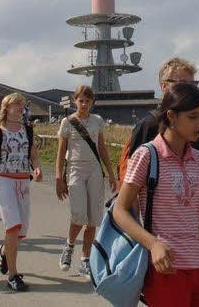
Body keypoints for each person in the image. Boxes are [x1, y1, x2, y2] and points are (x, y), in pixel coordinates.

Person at [113, 83, 199, 306]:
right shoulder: (147, 155)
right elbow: (120, 211)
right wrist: (153, 244)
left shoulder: (198, 160)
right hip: (165, 270)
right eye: (193, 117)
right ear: (171, 116)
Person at [0, 93, 42, 292]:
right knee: (13, 226)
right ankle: (13, 275)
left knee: (21, 231)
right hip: (5, 181)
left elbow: (34, 156)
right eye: (16, 105)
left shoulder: (28, 131)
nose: (20, 108)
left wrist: (37, 168)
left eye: (22, 105)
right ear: (6, 108)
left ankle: (5, 250)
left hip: (23, 182)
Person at [117, 57, 199, 190]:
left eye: (192, 85)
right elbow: (129, 175)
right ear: (164, 87)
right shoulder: (148, 125)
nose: (190, 91)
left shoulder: (195, 124)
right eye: (183, 84)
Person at [55, 85, 117, 277]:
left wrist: (111, 173)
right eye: (80, 100)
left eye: (87, 101)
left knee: (92, 219)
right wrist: (59, 177)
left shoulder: (97, 121)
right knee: (79, 215)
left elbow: (102, 148)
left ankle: (85, 259)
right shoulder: (67, 122)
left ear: (92, 103)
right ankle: (69, 246)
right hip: (75, 170)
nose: (84, 104)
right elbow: (60, 152)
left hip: (95, 171)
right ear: (75, 101)